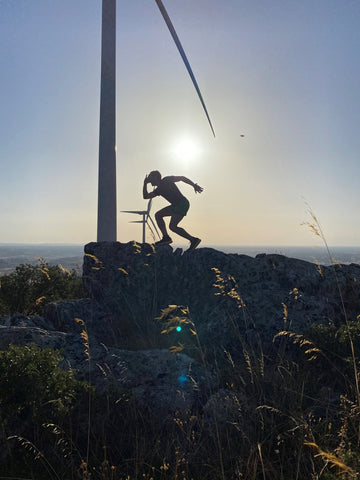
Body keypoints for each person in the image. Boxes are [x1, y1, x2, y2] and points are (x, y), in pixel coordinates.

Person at [143, 170, 203, 250]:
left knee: (172, 226)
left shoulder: (166, 180)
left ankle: (193, 240)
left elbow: (182, 178)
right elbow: (146, 196)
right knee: (158, 215)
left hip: (182, 203)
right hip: (175, 205)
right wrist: (144, 184)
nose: (149, 180)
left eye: (150, 177)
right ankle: (166, 237)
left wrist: (194, 185)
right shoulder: (158, 190)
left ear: (155, 177)